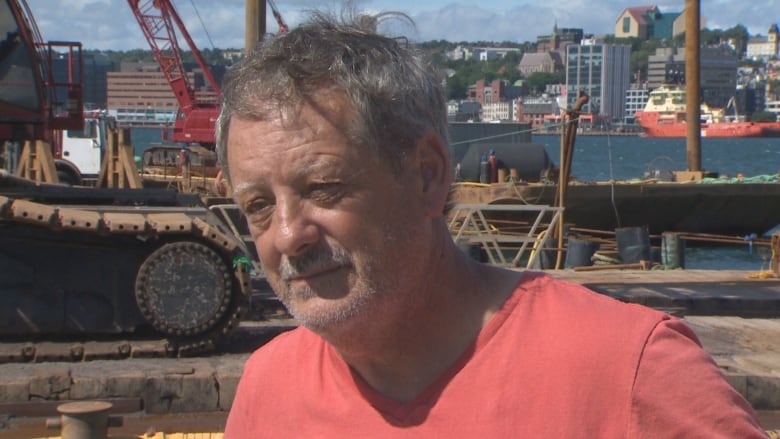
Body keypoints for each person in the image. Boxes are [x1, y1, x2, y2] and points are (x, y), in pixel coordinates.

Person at [216, 11, 766, 437]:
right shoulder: (269, 389)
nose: (287, 235)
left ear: (427, 176)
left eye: (323, 189)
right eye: (258, 206)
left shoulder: (633, 372)